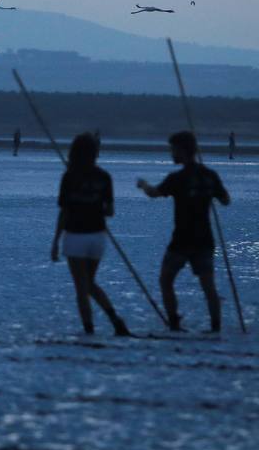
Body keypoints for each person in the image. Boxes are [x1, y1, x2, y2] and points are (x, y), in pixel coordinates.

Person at [137, 131, 229, 333]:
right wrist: (209, 192)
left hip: (182, 240)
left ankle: (174, 322)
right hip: (204, 240)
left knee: (165, 279)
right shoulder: (209, 176)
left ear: (182, 150)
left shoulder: (177, 178)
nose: (171, 153)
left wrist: (143, 184)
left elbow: (154, 193)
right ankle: (216, 326)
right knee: (208, 285)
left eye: (173, 149)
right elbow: (226, 200)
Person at [49, 133, 130, 336]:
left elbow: (64, 211)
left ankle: (89, 329)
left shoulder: (69, 176)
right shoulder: (104, 177)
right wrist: (92, 206)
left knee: (81, 287)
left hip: (76, 236)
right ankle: (114, 319)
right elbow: (110, 211)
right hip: (97, 237)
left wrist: (56, 241)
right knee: (89, 283)